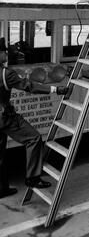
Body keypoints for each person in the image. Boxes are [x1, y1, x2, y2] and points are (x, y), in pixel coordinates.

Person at [0, 38, 68, 199]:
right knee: (34, 138)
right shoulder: (5, 73)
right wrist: (55, 89)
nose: (6, 54)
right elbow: (29, 86)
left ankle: (1, 189)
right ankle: (33, 178)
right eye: (3, 51)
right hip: (5, 117)